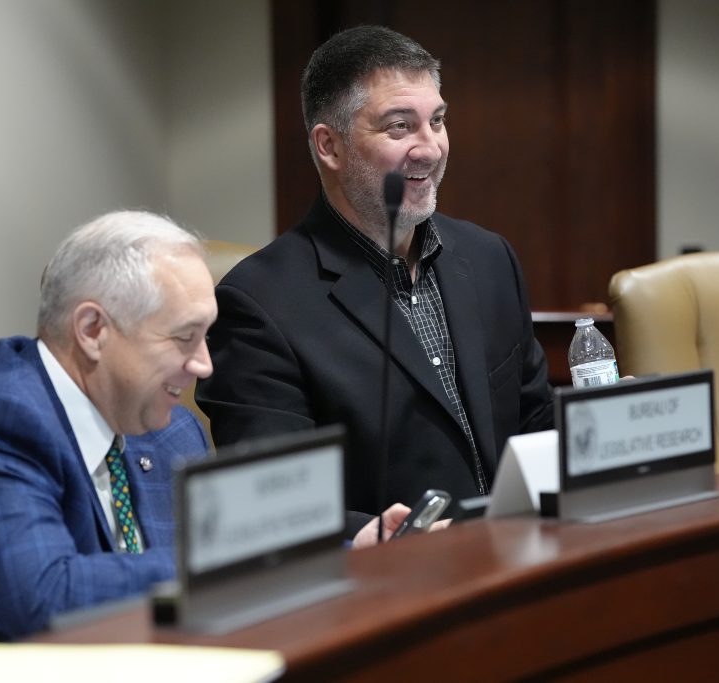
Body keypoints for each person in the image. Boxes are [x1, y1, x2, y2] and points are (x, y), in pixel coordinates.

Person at [196, 25, 554, 536]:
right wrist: (374, 537)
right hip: (389, 575)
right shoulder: (257, 305)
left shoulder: (490, 258)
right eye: (399, 127)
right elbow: (273, 502)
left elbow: (537, 424)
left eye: (437, 121)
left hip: (522, 556)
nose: (430, 149)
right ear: (330, 146)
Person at [0, 210, 218, 664]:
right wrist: (219, 559)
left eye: (206, 336)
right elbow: (42, 605)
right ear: (92, 330)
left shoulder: (173, 433)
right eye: (185, 337)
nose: (204, 364)